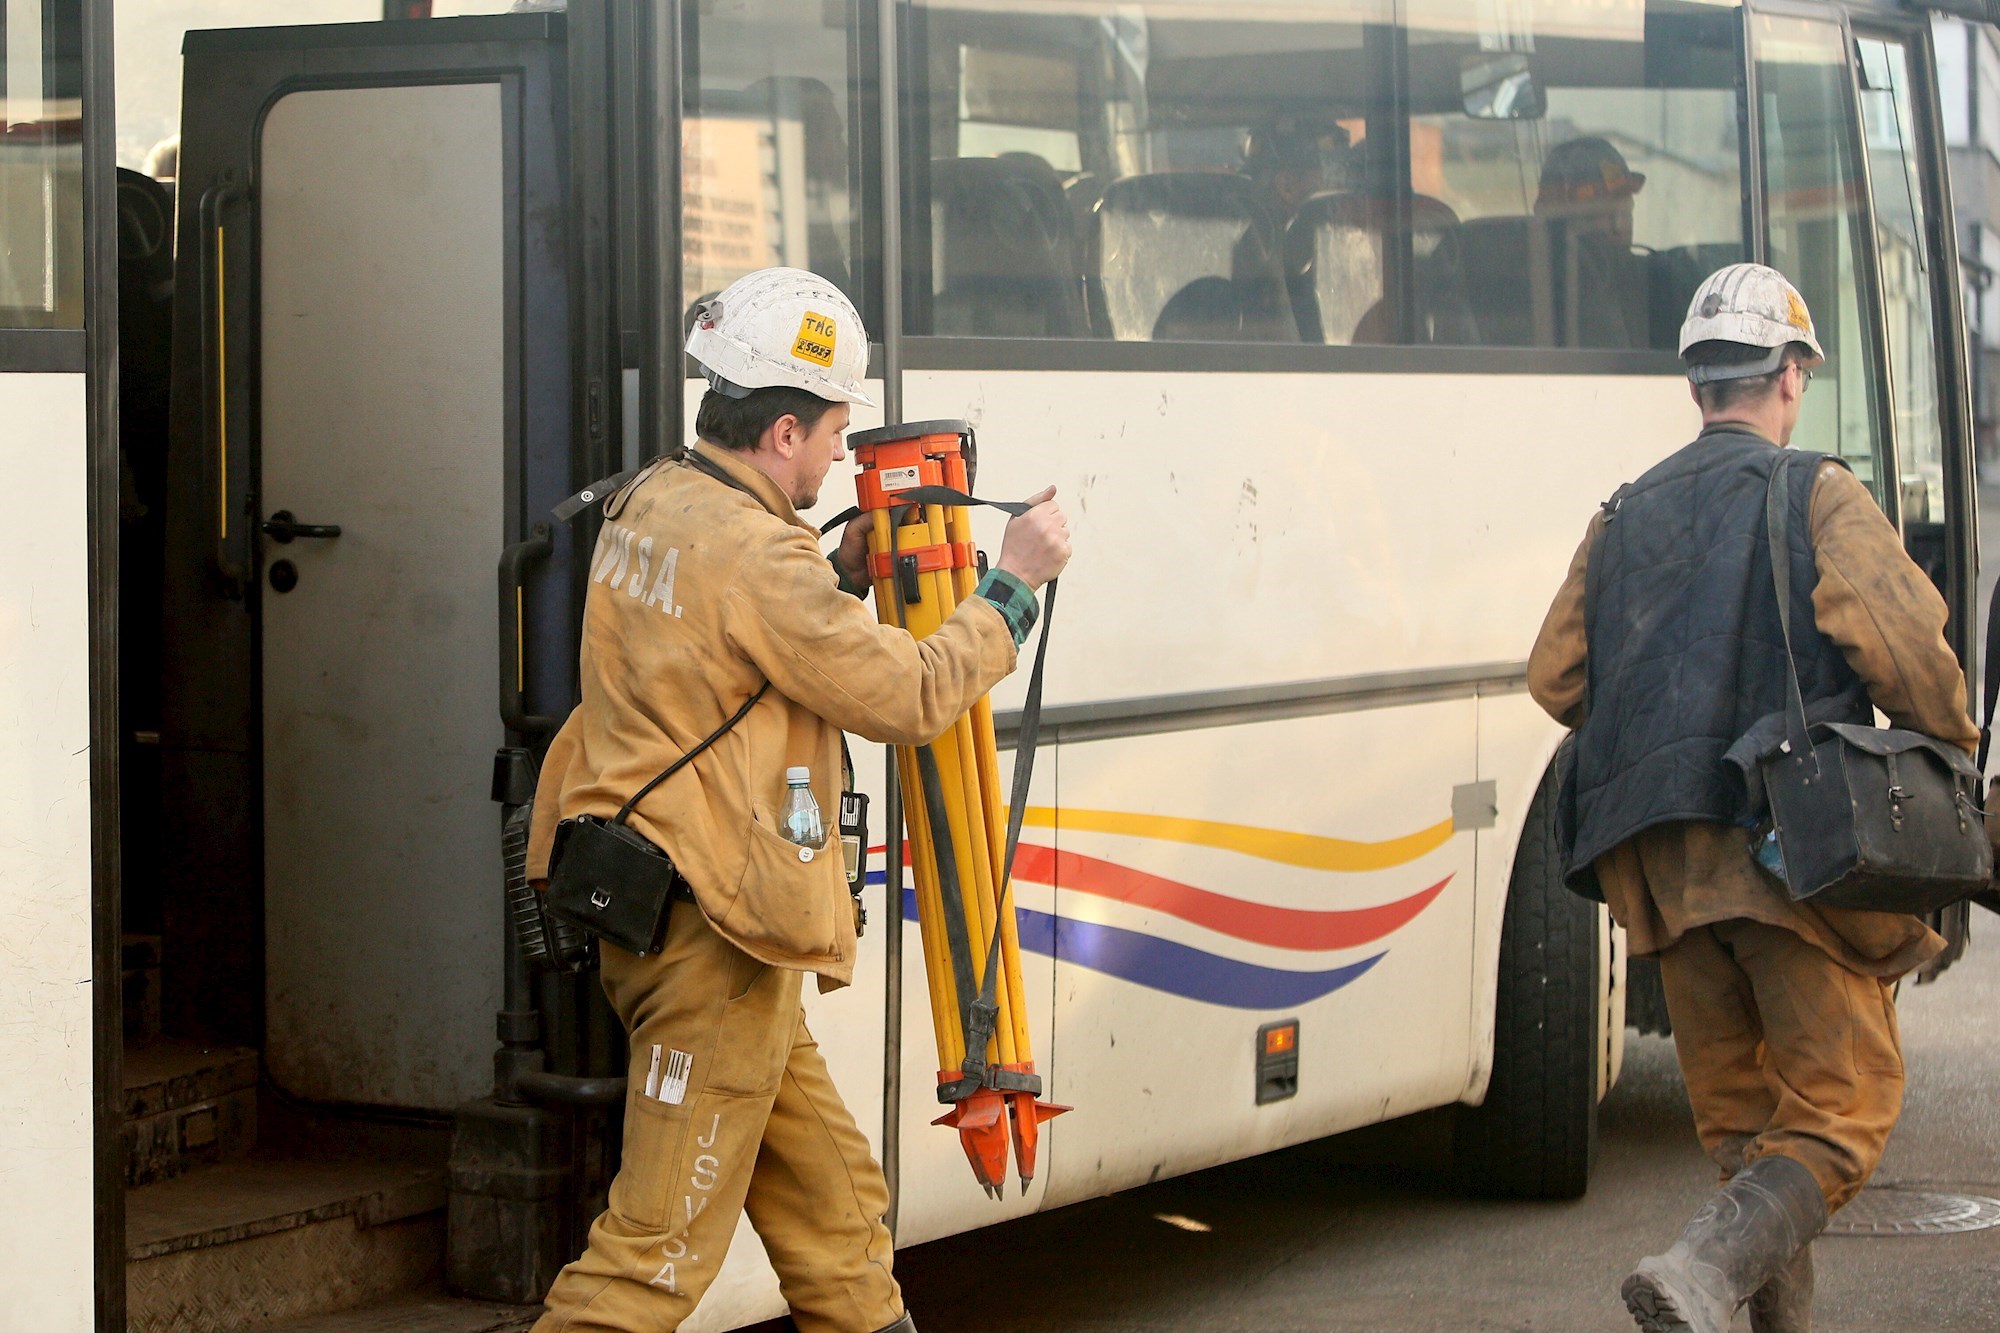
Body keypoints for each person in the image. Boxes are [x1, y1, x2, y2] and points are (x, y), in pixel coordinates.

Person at [525, 266, 1072, 1332]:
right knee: (651, 1258)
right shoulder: (762, 555)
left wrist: (844, 574)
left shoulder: (654, 500)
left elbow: (729, 656)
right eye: (829, 431)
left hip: (682, 921)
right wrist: (1012, 586)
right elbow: (907, 692)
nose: (837, 453)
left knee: (838, 1220)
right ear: (781, 431)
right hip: (715, 943)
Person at [1527, 262, 1975, 1333]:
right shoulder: (1813, 490)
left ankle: (1723, 1289)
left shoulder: (1619, 514)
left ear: (1695, 386)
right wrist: (1948, 751)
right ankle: (1693, 1268)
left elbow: (1554, 678)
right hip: (1785, 852)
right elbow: (1909, 657)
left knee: (1745, 1138)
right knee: (1836, 1116)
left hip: (1660, 874)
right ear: (1787, 374)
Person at [1533, 136, 1647, 346]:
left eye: (1625, 210)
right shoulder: (1554, 288)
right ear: (1558, 223)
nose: (1620, 226)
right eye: (1603, 213)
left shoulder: (1642, 280)